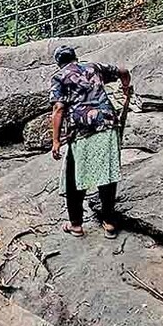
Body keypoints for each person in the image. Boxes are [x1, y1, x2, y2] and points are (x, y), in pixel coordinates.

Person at [49, 46, 132, 239]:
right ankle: (109, 223)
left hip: (81, 130)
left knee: (74, 177)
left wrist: (55, 141)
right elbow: (123, 71)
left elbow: (59, 108)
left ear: (59, 63)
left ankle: (76, 225)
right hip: (107, 123)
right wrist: (125, 87)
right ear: (76, 58)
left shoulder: (59, 77)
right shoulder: (93, 67)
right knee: (107, 173)